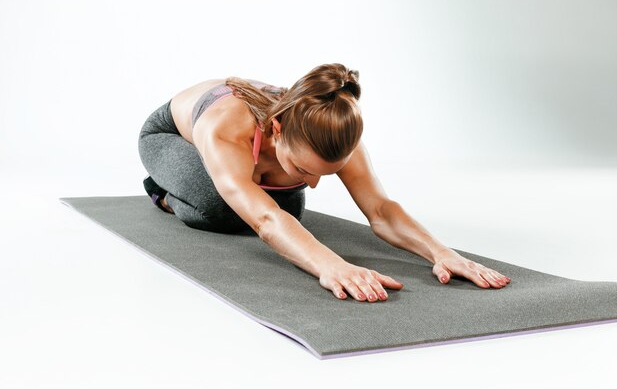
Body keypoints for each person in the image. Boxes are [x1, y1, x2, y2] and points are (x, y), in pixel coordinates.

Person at [137, 63, 511, 303]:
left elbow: (379, 209)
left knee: (292, 209)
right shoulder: (226, 130)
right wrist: (332, 265)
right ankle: (162, 191)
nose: (313, 184)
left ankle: (259, 181)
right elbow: (265, 221)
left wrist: (441, 252)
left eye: (323, 173)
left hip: (256, 153)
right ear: (278, 130)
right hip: (170, 137)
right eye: (303, 170)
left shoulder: (331, 129)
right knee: (216, 205)